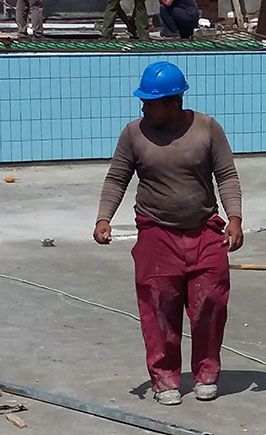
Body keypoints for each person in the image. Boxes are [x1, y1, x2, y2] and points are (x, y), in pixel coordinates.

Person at [93, 62, 243, 406]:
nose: (143, 107)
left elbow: (227, 176)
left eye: (150, 101)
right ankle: (164, 379)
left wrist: (234, 218)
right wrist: (104, 218)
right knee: (158, 307)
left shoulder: (207, 129)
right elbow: (117, 178)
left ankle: (206, 373)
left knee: (210, 304)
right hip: (156, 233)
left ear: (174, 102)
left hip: (205, 231)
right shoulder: (134, 134)